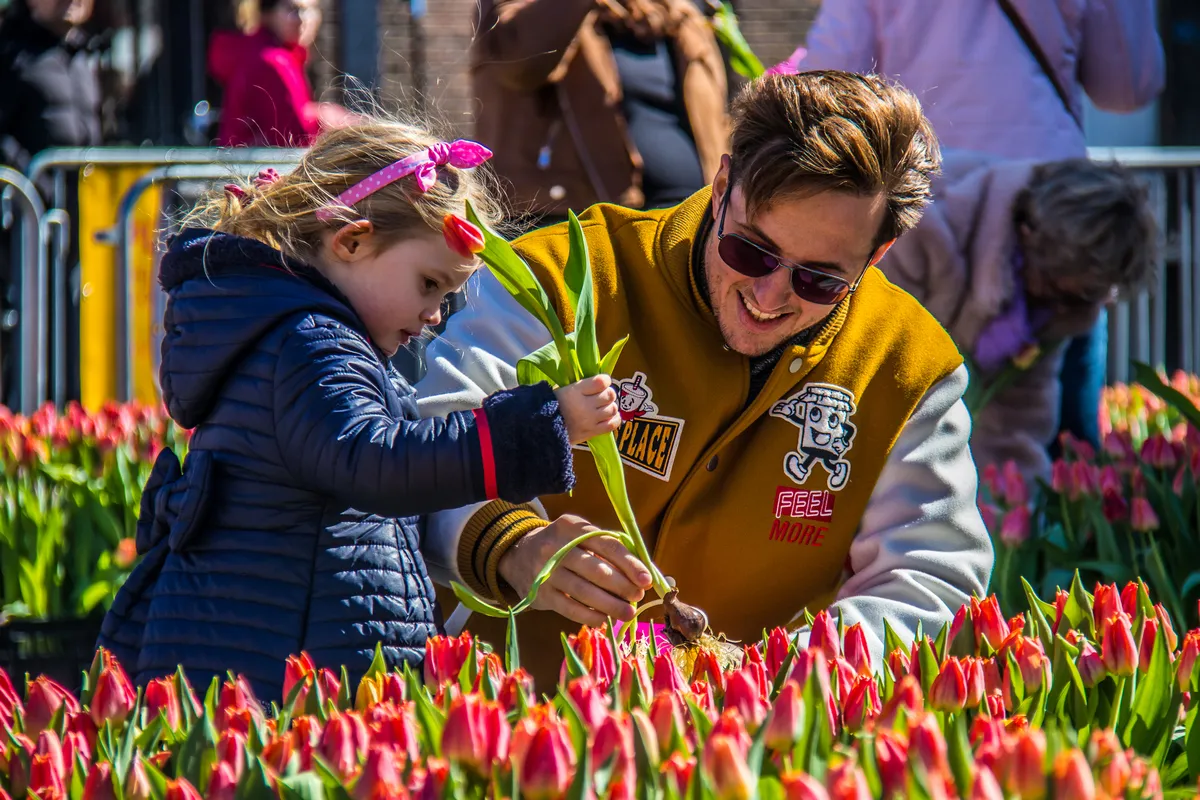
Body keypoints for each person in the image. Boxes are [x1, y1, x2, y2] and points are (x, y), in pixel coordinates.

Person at [416, 71, 993, 683]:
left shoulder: (909, 366)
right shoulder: (562, 277)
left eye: (819, 279)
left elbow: (932, 573)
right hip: (507, 713)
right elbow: (433, 444)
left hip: (743, 741)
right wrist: (511, 547)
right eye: (751, 250)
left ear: (877, 255)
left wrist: (789, 674)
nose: (769, 296)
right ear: (721, 188)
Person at [97, 119, 625, 700]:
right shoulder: (309, 344)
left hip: (283, 641)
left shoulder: (315, 340)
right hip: (276, 671)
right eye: (428, 285)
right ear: (352, 241)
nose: (434, 317)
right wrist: (542, 425)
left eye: (447, 298)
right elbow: (373, 460)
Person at [798, 0, 1165, 457]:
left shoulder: (1057, 289)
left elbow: (824, 83)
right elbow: (1128, 87)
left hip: (1062, 226)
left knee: (1036, 428)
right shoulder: (925, 237)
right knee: (1066, 449)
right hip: (1013, 207)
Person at [881, 152, 1158, 482]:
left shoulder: (1062, 304)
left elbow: (1018, 424)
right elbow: (878, 365)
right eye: (1056, 285)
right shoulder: (925, 225)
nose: (1062, 308)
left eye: (1083, 298)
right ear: (1028, 235)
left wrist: (1012, 510)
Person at [470, 0, 731, 230]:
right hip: (577, 223)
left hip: (693, 220)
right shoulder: (520, 9)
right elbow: (518, 65)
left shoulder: (681, 16)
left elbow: (717, 122)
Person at [208, 0, 356, 148]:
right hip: (253, 167)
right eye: (293, 9)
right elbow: (294, 135)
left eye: (310, 10)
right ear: (267, 14)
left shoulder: (274, 55)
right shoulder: (272, 61)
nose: (302, 19)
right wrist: (328, 119)